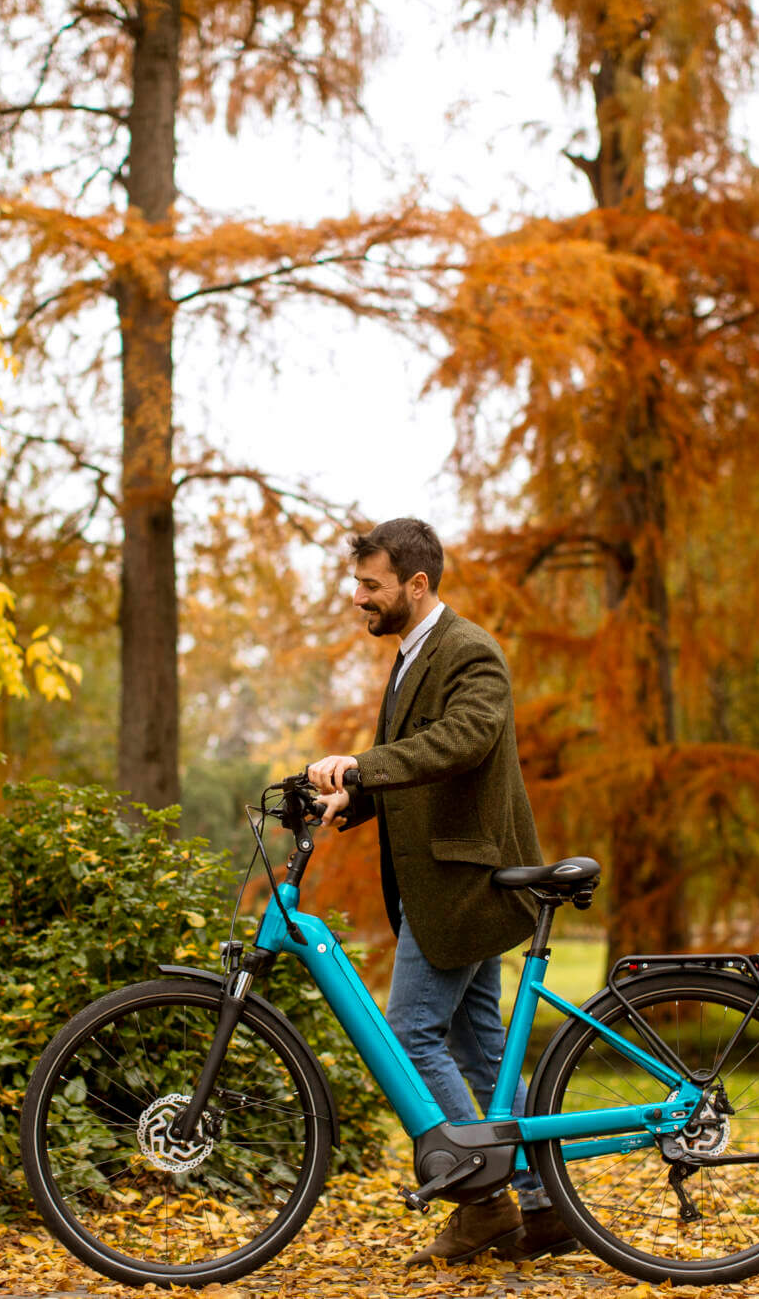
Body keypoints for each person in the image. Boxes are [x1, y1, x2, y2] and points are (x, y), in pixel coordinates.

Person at [307, 518, 575, 1267]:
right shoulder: (410, 656)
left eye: (371, 585)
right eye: (357, 582)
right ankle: (547, 1205)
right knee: (480, 1044)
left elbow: (463, 740)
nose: (358, 597)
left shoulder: (469, 651)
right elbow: (419, 769)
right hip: (444, 880)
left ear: (416, 584)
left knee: (412, 1032)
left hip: (465, 880)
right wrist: (351, 800)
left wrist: (359, 765)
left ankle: (483, 1196)